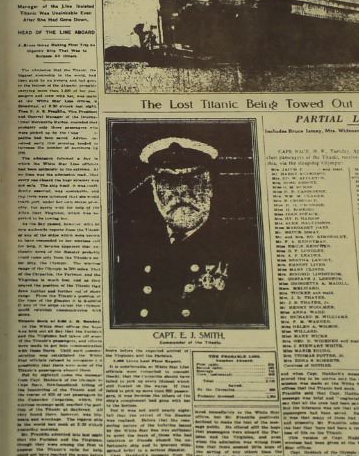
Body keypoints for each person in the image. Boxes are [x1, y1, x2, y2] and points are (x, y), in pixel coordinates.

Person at [110, 135, 266, 326]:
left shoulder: (244, 247)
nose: (182, 191)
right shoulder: (132, 245)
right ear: (154, 189)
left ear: (210, 186)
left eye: (193, 179)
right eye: (168, 180)